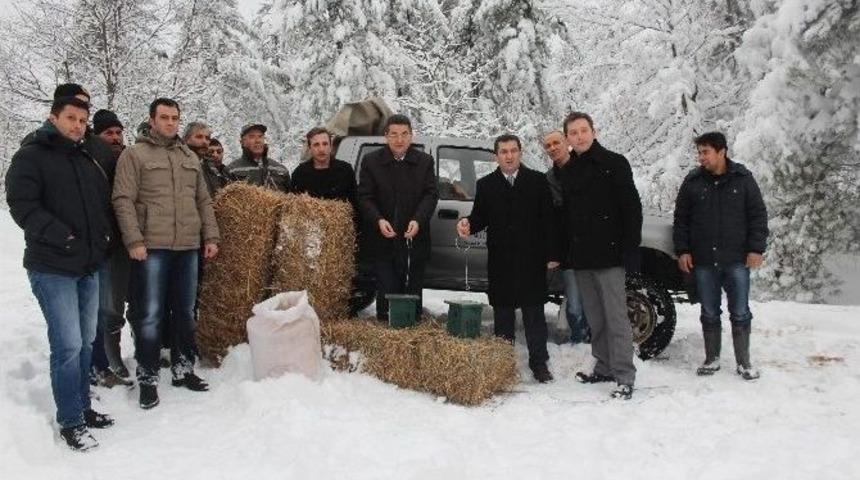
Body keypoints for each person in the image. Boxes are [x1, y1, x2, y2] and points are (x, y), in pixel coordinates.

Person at [6, 96, 115, 451]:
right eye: (71, 118)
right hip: (52, 267)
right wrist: (61, 235)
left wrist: (102, 239)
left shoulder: (85, 158)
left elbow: (99, 207)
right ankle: (70, 421)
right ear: (53, 118)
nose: (77, 126)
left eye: (83, 120)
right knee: (67, 345)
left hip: (88, 265)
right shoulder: (31, 156)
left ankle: (82, 406)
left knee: (85, 341)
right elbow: (22, 205)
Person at [113, 98, 220, 409]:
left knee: (185, 312)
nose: (170, 123)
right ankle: (148, 378)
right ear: (152, 120)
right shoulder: (135, 154)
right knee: (150, 314)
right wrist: (133, 240)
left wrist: (210, 235)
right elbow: (122, 199)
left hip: (187, 247)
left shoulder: (188, 156)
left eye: (175, 118)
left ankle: (183, 369)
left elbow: (203, 200)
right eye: (164, 117)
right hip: (152, 247)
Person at [457, 134, 559, 383]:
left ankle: (539, 364)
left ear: (520, 153)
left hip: (531, 259)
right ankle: (503, 364)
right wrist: (467, 224)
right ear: (496, 156)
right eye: (504, 152)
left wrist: (553, 254)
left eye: (513, 151)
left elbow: (549, 220)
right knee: (503, 314)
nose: (509, 156)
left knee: (534, 314)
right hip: (501, 260)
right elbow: (479, 217)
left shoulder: (537, 181)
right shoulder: (486, 185)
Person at [673, 131, 768, 380]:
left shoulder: (743, 179)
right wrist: (682, 250)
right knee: (709, 312)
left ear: (721, 151)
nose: (701, 157)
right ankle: (711, 359)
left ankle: (744, 362)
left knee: (740, 311)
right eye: (699, 152)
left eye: (706, 152)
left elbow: (758, 216)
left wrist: (756, 249)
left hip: (736, 259)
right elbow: (681, 220)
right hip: (703, 260)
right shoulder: (692, 182)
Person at [561, 112, 642, 400]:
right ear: (567, 138)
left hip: (610, 256)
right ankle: (604, 366)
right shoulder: (569, 170)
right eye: (573, 133)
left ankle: (624, 375)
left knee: (616, 318)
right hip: (582, 258)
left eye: (584, 130)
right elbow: (568, 217)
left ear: (594, 132)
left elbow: (632, 209)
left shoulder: (614, 163)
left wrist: (630, 251)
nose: (580, 136)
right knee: (595, 318)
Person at [357, 114, 438, 320]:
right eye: (394, 134)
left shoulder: (424, 162)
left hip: (413, 240)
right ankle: (386, 325)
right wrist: (378, 220)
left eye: (404, 134)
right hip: (383, 240)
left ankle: (411, 328)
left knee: (412, 292)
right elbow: (364, 197)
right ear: (386, 136)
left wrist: (418, 220)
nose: (399, 140)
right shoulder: (371, 161)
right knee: (387, 290)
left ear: (411, 136)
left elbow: (430, 195)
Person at [91, 109, 134, 386]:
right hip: (107, 246)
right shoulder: (91, 161)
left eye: (119, 132)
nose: (116, 137)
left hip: (133, 241)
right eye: (109, 133)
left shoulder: (128, 159)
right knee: (109, 306)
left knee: (135, 303)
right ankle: (110, 359)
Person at [542, 129, 589, 344]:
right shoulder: (548, 179)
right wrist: (553, 253)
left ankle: (595, 343)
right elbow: (550, 219)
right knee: (575, 304)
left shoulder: (586, 170)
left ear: (567, 143)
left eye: (556, 143)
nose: (552, 148)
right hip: (569, 251)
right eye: (548, 145)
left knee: (594, 301)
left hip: (593, 248)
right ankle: (579, 344)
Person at [291, 127, 357, 204]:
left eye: (325, 144)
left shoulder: (345, 170)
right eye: (316, 145)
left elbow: (355, 202)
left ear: (330, 146)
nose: (321, 149)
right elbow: (293, 204)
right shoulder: (299, 174)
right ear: (310, 148)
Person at [226, 123, 290, 192]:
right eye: (252, 137)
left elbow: (291, 196)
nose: (258, 141)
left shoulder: (280, 170)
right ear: (242, 142)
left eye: (260, 136)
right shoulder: (231, 170)